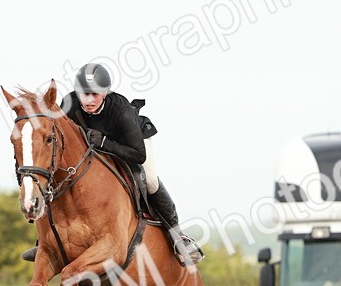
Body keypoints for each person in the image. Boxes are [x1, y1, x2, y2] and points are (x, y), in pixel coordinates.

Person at [21, 62, 204, 266]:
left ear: (105, 93)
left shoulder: (121, 111)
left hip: (131, 144)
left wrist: (105, 143)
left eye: (95, 95)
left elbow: (138, 155)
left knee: (150, 181)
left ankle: (178, 237)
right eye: (84, 94)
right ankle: (46, 242)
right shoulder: (69, 104)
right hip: (93, 151)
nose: (89, 100)